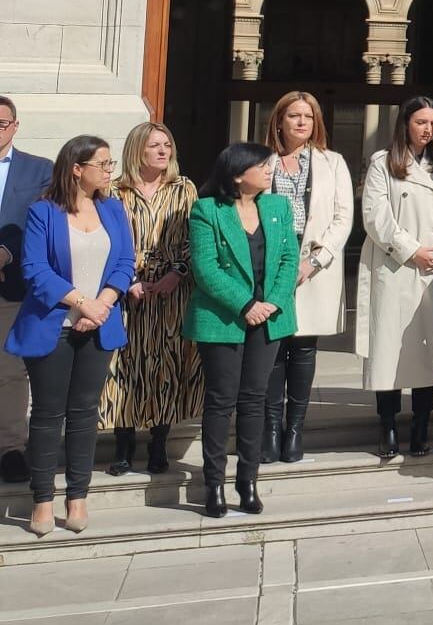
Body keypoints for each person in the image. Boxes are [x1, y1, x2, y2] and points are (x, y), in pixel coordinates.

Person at [5, 136, 134, 534]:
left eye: (111, 164)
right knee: (47, 415)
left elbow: (125, 261)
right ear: (77, 168)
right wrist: (81, 303)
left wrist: (103, 305)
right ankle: (42, 499)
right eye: (103, 164)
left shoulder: (113, 209)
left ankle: (77, 497)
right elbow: (35, 270)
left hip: (99, 325)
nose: (109, 171)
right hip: (53, 326)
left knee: (83, 415)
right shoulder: (43, 211)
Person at [357, 96, 433, 460]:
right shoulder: (384, 163)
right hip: (401, 264)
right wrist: (412, 250)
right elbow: (376, 217)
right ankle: (388, 425)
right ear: (405, 124)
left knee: (429, 348)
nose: (427, 129)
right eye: (421, 122)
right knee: (392, 348)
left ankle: (422, 425)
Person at [186, 143, 299, 519]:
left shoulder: (278, 207)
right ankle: (213, 483)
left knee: (256, 399)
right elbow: (206, 268)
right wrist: (245, 304)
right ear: (237, 174)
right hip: (223, 319)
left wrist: (272, 303)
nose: (270, 171)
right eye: (262, 166)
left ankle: (247, 480)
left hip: (270, 318)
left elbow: (288, 258)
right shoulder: (207, 210)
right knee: (221, 400)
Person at [102, 123, 201, 477]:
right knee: (124, 365)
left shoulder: (183, 188)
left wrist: (176, 272)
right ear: (137, 151)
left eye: (167, 145)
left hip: (172, 292)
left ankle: (159, 441)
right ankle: (123, 442)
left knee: (165, 363)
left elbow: (195, 237)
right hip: (126, 290)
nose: (164, 151)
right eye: (155, 145)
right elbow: (109, 239)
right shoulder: (115, 191)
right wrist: (127, 279)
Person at [262, 93, 354, 464]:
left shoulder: (332, 163)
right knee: (272, 347)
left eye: (309, 117)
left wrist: (315, 261)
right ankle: (270, 428)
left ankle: (295, 428)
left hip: (312, 268)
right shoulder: (261, 161)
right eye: (294, 116)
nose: (302, 123)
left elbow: (343, 216)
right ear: (279, 120)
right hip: (269, 267)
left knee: (302, 348)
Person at [0, 97, 59, 485]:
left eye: (2, 123)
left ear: (15, 126)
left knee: (8, 373)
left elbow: (39, 222)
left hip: (12, 285)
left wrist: (5, 253)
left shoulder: (39, 170)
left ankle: (9, 449)